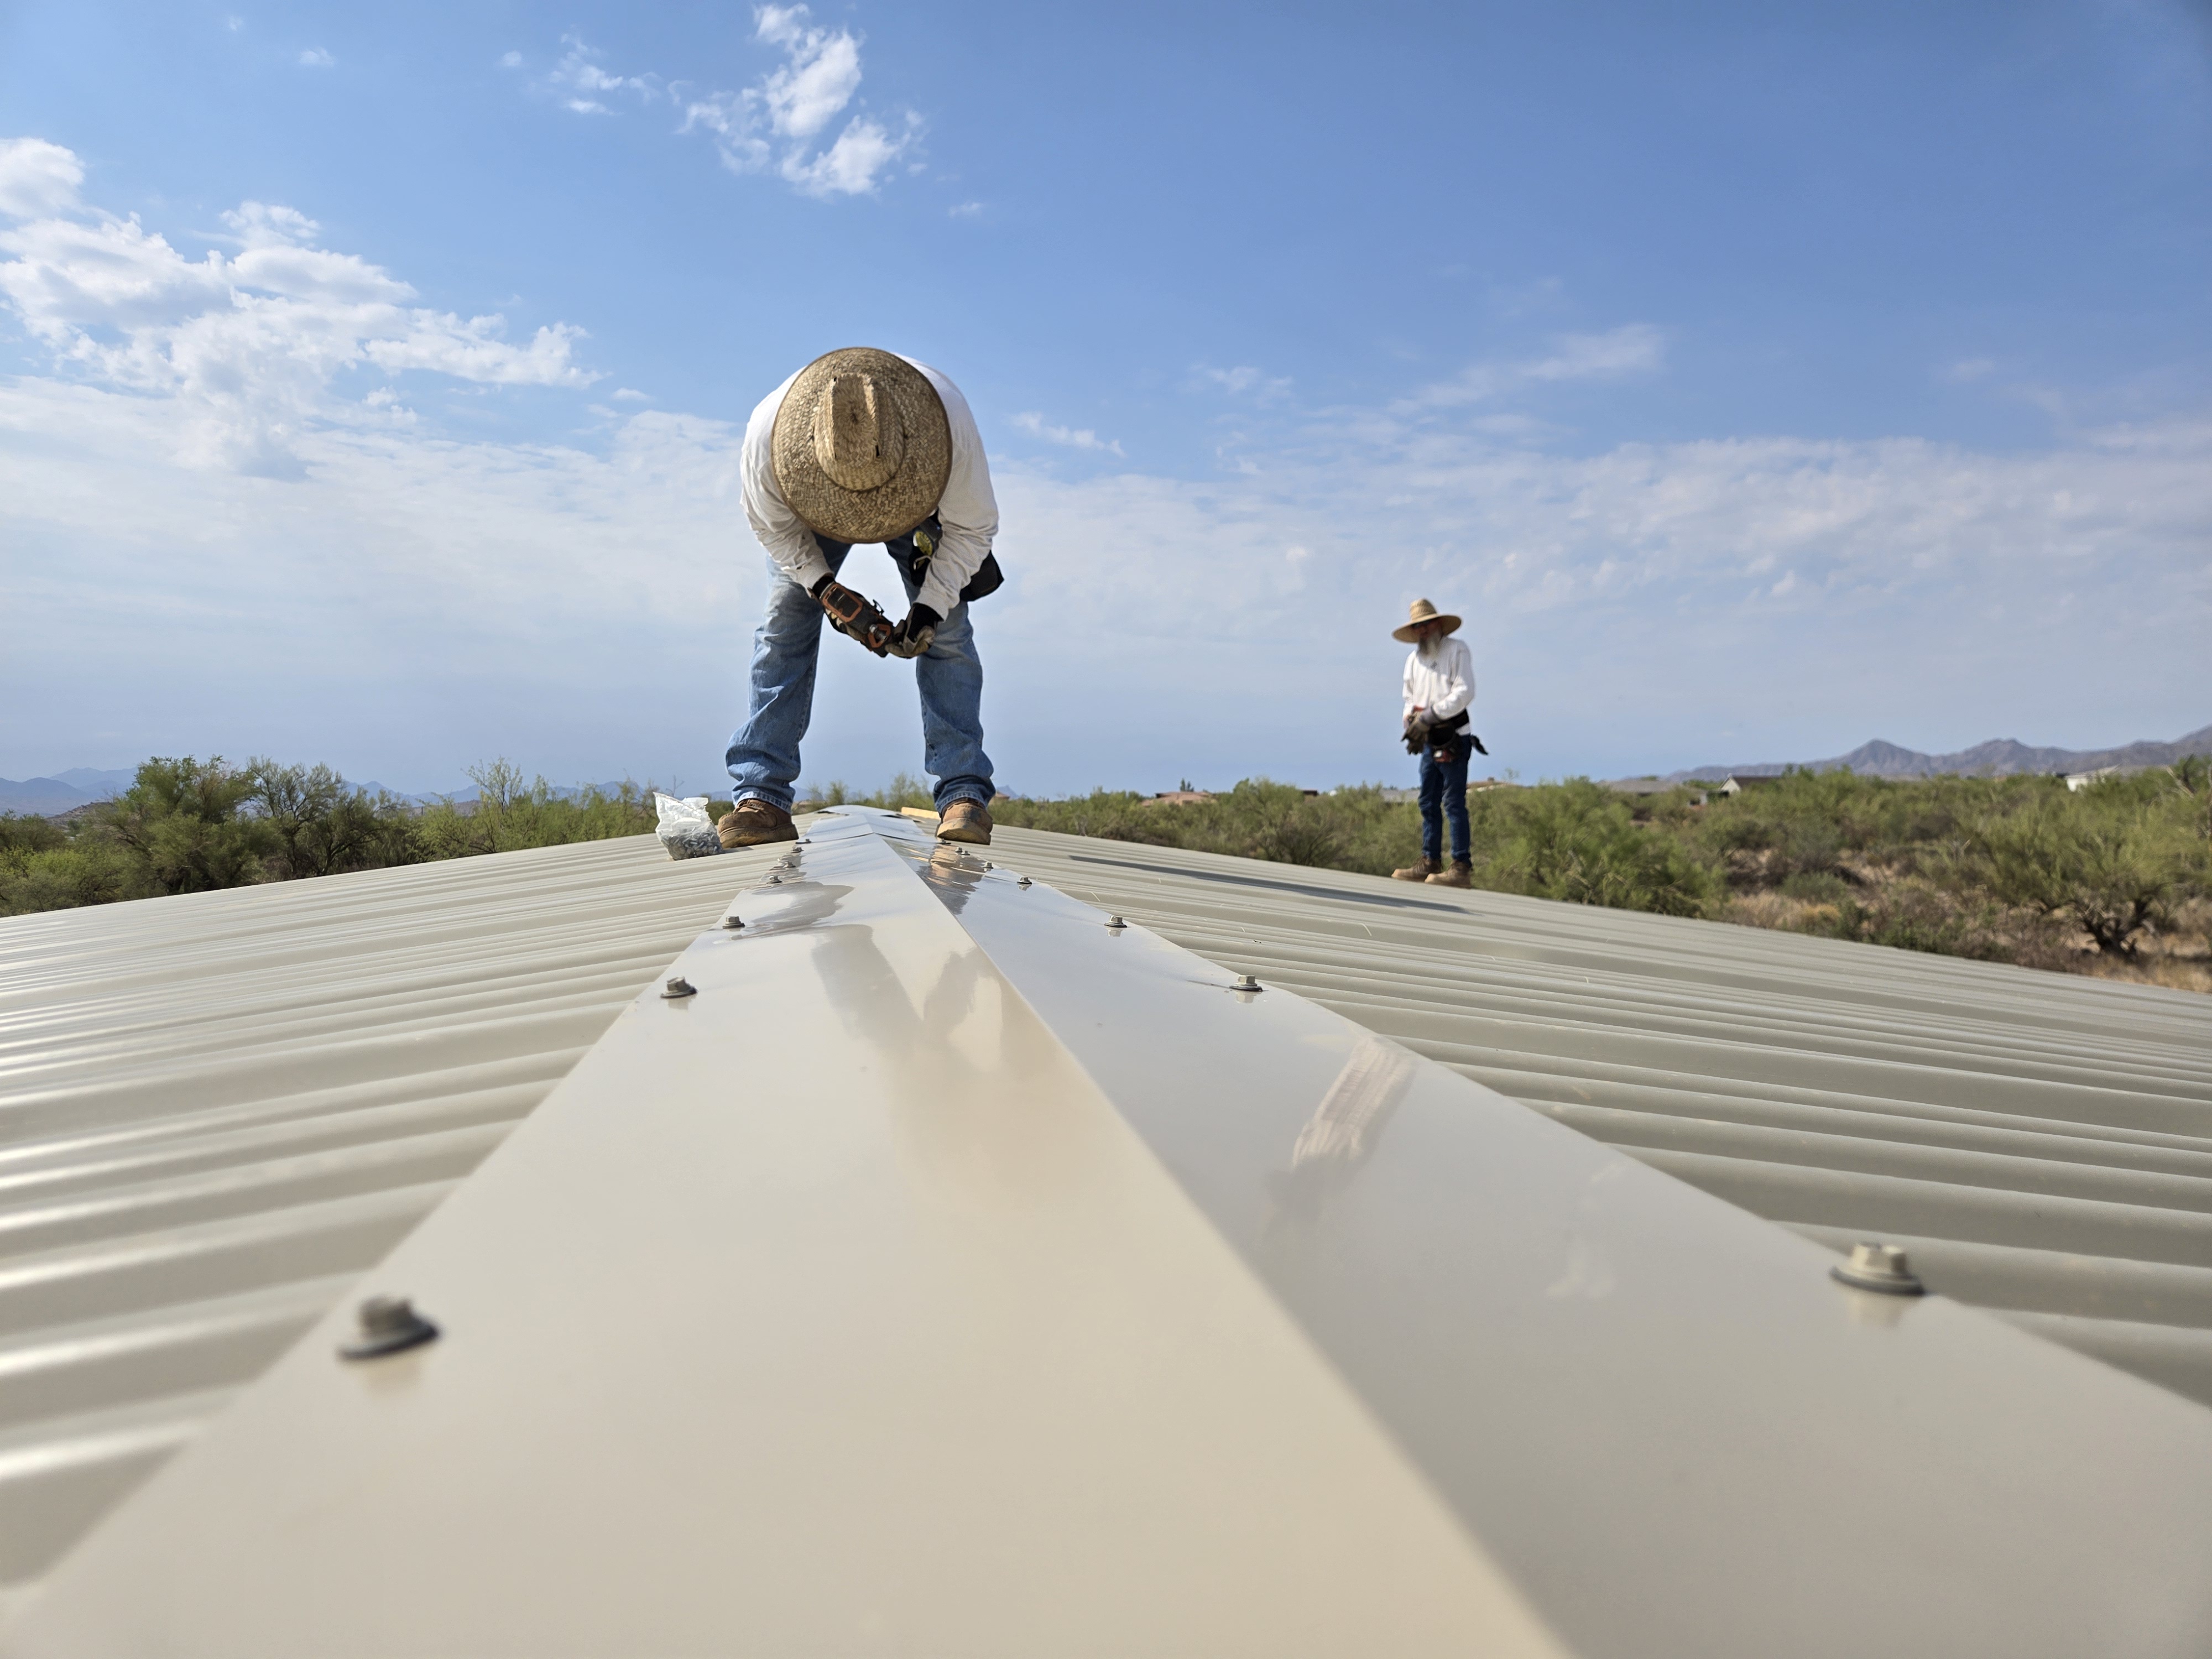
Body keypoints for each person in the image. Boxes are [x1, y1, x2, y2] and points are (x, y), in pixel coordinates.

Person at [721, 347, 1004, 849]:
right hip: (811, 503)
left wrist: (930, 606)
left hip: (921, 496)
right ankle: (761, 797)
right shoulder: (768, 440)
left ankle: (964, 796)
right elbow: (772, 529)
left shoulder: (948, 430)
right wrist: (823, 588)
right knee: (783, 627)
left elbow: (973, 528)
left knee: (950, 634)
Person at [1390, 598, 1479, 887]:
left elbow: (1464, 692)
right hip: (1428, 739)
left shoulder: (1457, 650)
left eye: (1426, 624)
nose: (1422, 631)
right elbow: (1409, 696)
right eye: (1417, 627)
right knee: (1427, 801)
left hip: (1453, 735)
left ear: (1438, 624)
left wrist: (1429, 716)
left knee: (1453, 802)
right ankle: (1429, 861)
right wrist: (1411, 722)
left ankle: (1461, 867)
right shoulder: (1413, 660)